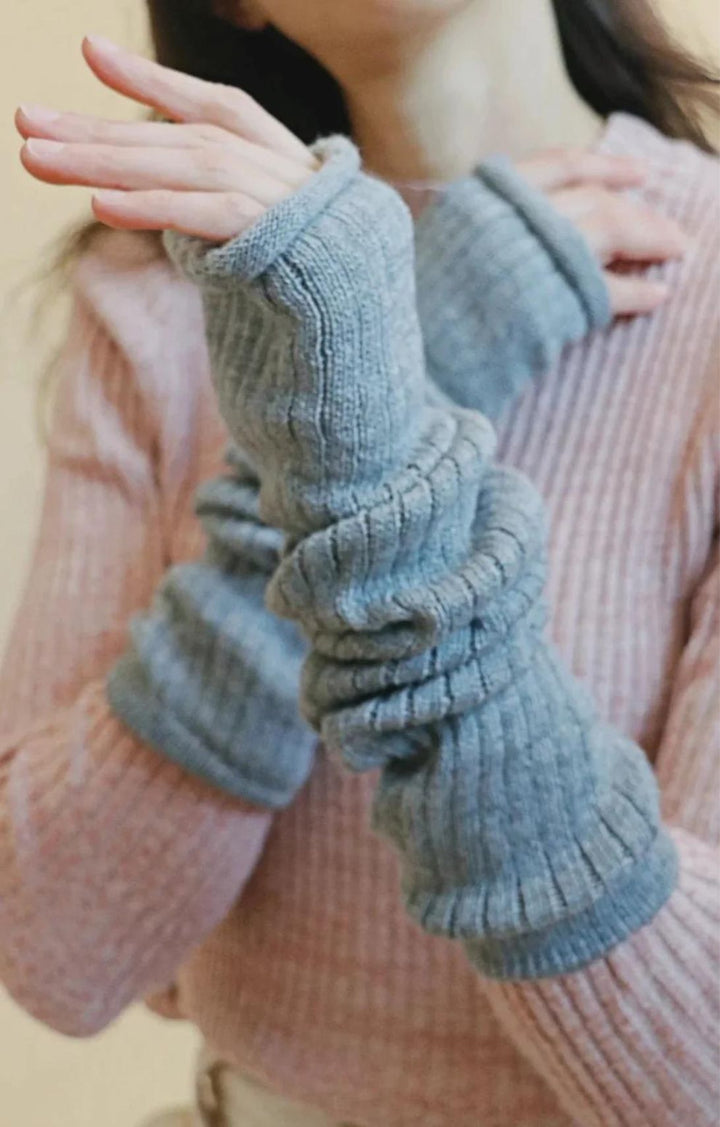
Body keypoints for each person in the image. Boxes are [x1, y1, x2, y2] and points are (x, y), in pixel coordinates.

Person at [2, 3, 718, 1126]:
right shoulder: (158, 277)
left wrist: (388, 406)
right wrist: (363, 389)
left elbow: (699, 1068)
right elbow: (54, 941)